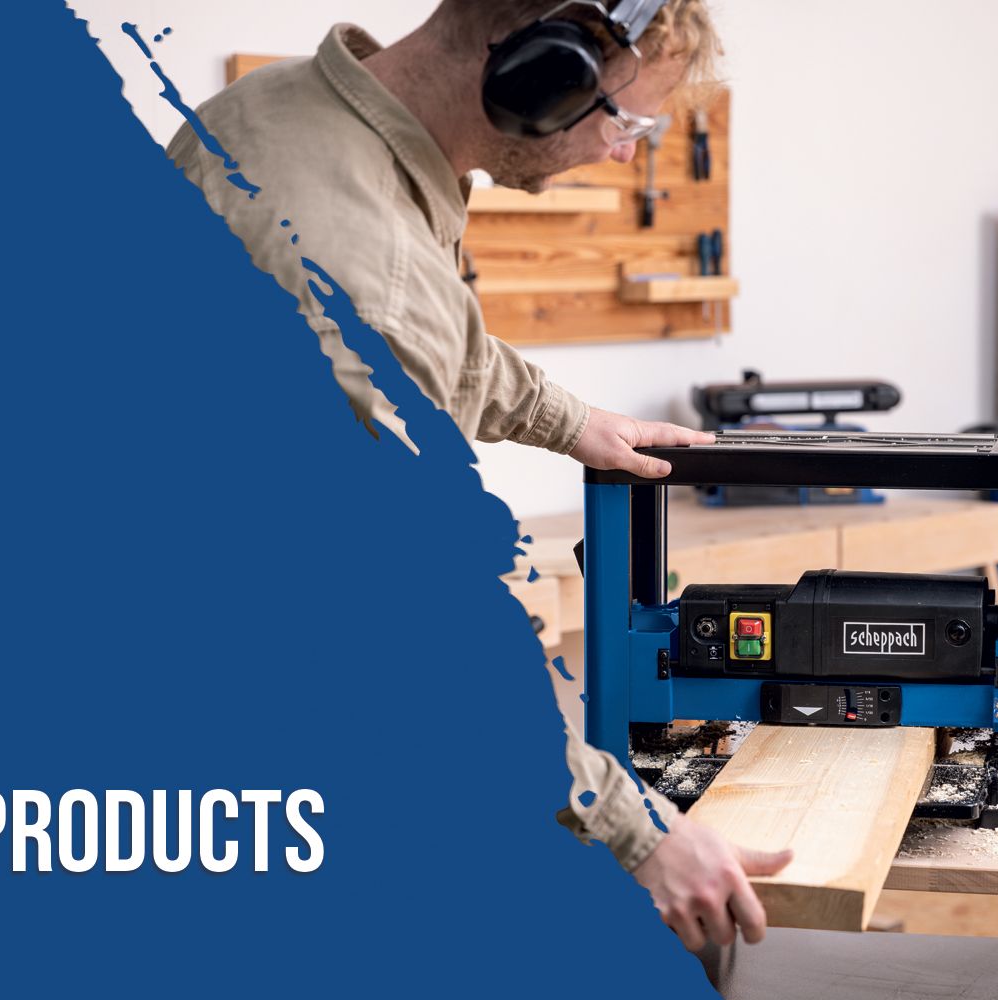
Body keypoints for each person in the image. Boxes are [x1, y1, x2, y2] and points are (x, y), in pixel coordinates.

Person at [167, 0, 792, 953]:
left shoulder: (277, 112)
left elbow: (428, 338)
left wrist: (570, 419)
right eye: (626, 121)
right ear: (546, 69)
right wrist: (639, 835)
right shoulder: (362, 265)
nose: (626, 154)